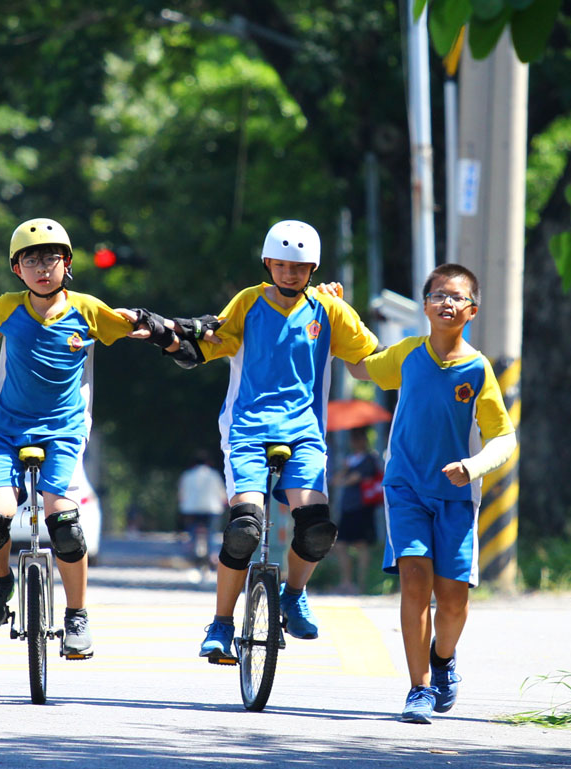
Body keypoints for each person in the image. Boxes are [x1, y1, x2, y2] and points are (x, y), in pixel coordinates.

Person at [139, 220, 379, 661]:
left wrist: (353, 317)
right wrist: (168, 340)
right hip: (248, 428)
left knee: (318, 528)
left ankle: (293, 594)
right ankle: (222, 623)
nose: (290, 274)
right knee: (244, 529)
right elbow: (205, 348)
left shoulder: (329, 310)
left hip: (305, 431)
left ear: (314, 268)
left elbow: (365, 357)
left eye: (300, 267)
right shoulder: (248, 301)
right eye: (282, 265)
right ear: (268, 263)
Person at [0, 217, 148, 658]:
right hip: (5, 430)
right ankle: (1, 578)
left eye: (50, 259)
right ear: (16, 269)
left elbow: (138, 328)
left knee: (65, 525)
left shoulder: (87, 310)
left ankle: (77, 614)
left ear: (67, 264)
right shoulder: (6, 306)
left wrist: (171, 332)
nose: (42, 268)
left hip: (63, 431)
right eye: (30, 260)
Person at [347, 263, 516, 724]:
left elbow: (504, 438)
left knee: (455, 599)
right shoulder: (406, 355)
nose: (447, 302)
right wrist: (337, 308)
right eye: (438, 294)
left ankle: (443, 659)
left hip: (457, 496)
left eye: (457, 297)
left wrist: (473, 466)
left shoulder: (478, 370)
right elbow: (359, 366)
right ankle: (418, 687)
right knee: (415, 579)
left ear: (472, 310)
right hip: (404, 487)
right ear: (424, 306)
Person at [330, 427, 382, 594]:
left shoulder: (370, 458)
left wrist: (345, 478)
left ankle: (362, 583)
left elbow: (355, 479)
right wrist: (345, 471)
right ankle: (347, 582)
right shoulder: (349, 459)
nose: (356, 442)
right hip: (348, 507)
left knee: (361, 545)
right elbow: (336, 479)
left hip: (363, 507)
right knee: (341, 544)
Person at [177, 451, 228, 570]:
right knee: (211, 534)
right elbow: (222, 494)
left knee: (192, 532)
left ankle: (193, 554)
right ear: (208, 463)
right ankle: (212, 556)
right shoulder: (214, 475)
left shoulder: (187, 475)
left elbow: (181, 495)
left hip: (191, 509)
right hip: (212, 508)